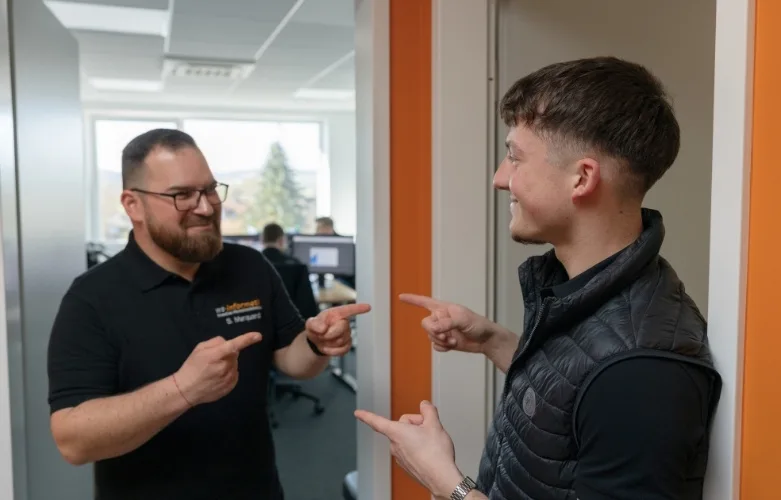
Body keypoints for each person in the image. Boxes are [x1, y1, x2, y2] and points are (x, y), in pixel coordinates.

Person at [355, 56, 722, 500]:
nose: (499, 178)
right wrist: (493, 340)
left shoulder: (642, 369)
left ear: (582, 178)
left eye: (514, 156)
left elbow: (607, 380)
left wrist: (445, 482)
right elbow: (576, 392)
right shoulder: (600, 293)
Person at [47, 128, 370, 500]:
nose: (205, 207)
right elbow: (73, 440)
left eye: (210, 189)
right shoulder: (91, 298)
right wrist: (183, 390)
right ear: (133, 204)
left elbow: (291, 360)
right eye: (182, 195)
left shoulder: (250, 266)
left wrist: (315, 344)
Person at [262, 222, 319, 319]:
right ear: (281, 240)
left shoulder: (253, 264)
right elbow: (309, 307)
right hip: (292, 325)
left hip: (261, 324)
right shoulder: (296, 265)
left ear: (262, 240)